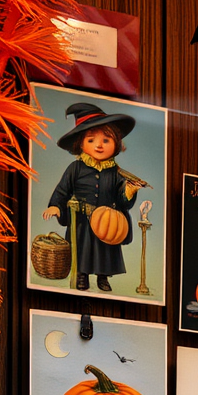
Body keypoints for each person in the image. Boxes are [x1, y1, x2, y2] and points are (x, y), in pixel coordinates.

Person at [42, 102, 143, 292]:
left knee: (105, 250)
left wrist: (128, 192)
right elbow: (62, 190)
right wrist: (56, 206)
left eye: (106, 140)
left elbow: (122, 200)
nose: (98, 145)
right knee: (82, 249)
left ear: (117, 144)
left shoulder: (116, 172)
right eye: (91, 140)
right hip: (81, 221)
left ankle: (103, 277)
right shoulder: (76, 168)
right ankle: (82, 275)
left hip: (108, 220)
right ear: (80, 143)